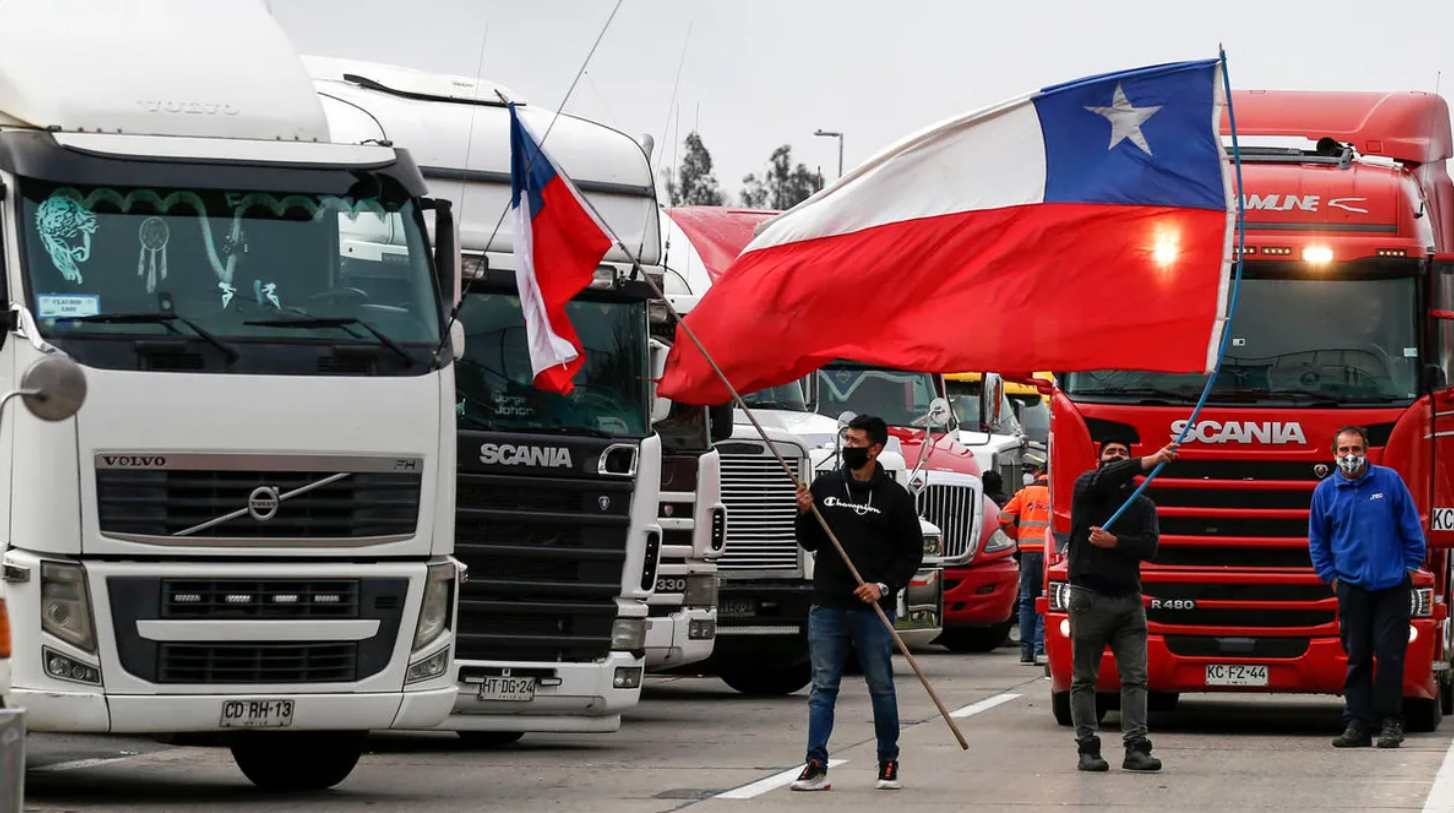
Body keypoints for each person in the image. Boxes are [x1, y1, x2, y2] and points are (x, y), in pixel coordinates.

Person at [790, 414, 925, 792]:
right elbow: (810, 541)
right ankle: (815, 764)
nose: (848, 447)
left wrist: (883, 586)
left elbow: (911, 554)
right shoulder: (826, 485)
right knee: (823, 687)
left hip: (873, 610)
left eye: (855, 442)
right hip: (828, 605)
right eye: (846, 440)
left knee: (881, 686)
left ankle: (888, 761)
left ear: (875, 448)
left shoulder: (895, 497)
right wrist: (803, 512)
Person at [1308, 425, 1426, 749]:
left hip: (1391, 586)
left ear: (1366, 451)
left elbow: (1410, 527)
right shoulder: (1325, 492)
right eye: (1343, 451)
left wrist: (1410, 568)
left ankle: (1390, 723)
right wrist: (1331, 578)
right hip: (1351, 587)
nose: (1350, 456)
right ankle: (1358, 724)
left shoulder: (1389, 482)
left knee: (1389, 655)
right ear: (1334, 455)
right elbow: (1318, 541)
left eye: (1356, 450)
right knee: (1357, 656)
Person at [1066, 437, 1178, 773]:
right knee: (1084, 678)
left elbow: (1150, 546)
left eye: (1122, 454)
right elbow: (1105, 477)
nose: (1116, 458)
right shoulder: (1086, 487)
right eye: (1110, 453)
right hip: (1088, 596)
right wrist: (1147, 459)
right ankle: (1088, 749)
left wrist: (1115, 543)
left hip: (1129, 600)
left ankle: (1136, 749)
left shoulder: (1143, 504)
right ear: (1099, 459)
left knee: (1136, 678)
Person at [999, 451, 1049, 665]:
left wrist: (1017, 534)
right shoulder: (1057, 493)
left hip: (1028, 552)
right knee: (1045, 599)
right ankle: (1040, 649)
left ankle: (1026, 651)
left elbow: (1003, 518)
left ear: (1038, 472)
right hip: (1050, 552)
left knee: (1028, 599)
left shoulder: (1024, 493)